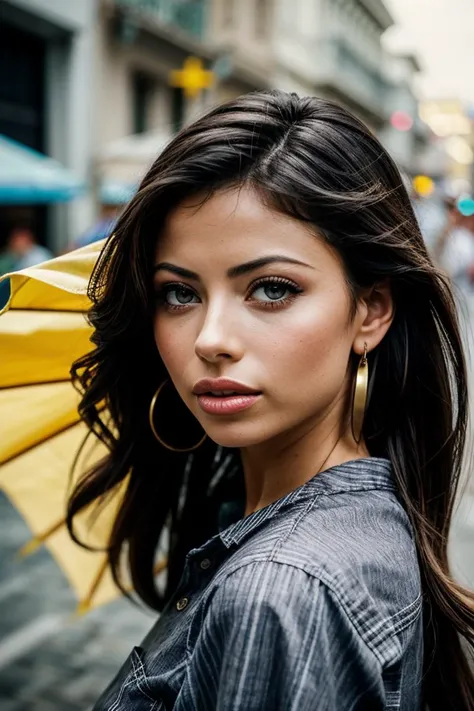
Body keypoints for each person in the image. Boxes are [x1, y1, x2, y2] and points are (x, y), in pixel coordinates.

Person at [67, 92, 474, 710]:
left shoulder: (280, 593)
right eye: (179, 293)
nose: (210, 340)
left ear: (371, 311)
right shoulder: (361, 518)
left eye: (271, 289)